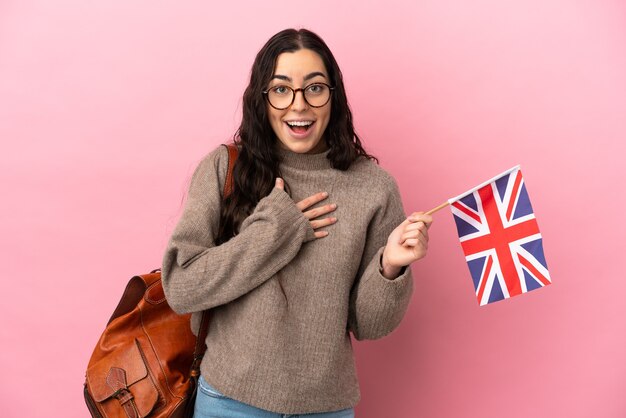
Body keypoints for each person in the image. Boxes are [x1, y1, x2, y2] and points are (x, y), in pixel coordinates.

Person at [161, 28, 433, 418]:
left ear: (333, 96)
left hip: (327, 407)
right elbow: (182, 287)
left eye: (315, 88)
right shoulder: (225, 168)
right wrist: (276, 230)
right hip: (229, 402)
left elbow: (369, 326)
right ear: (262, 98)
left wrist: (390, 267)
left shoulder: (374, 187)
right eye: (282, 89)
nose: (299, 105)